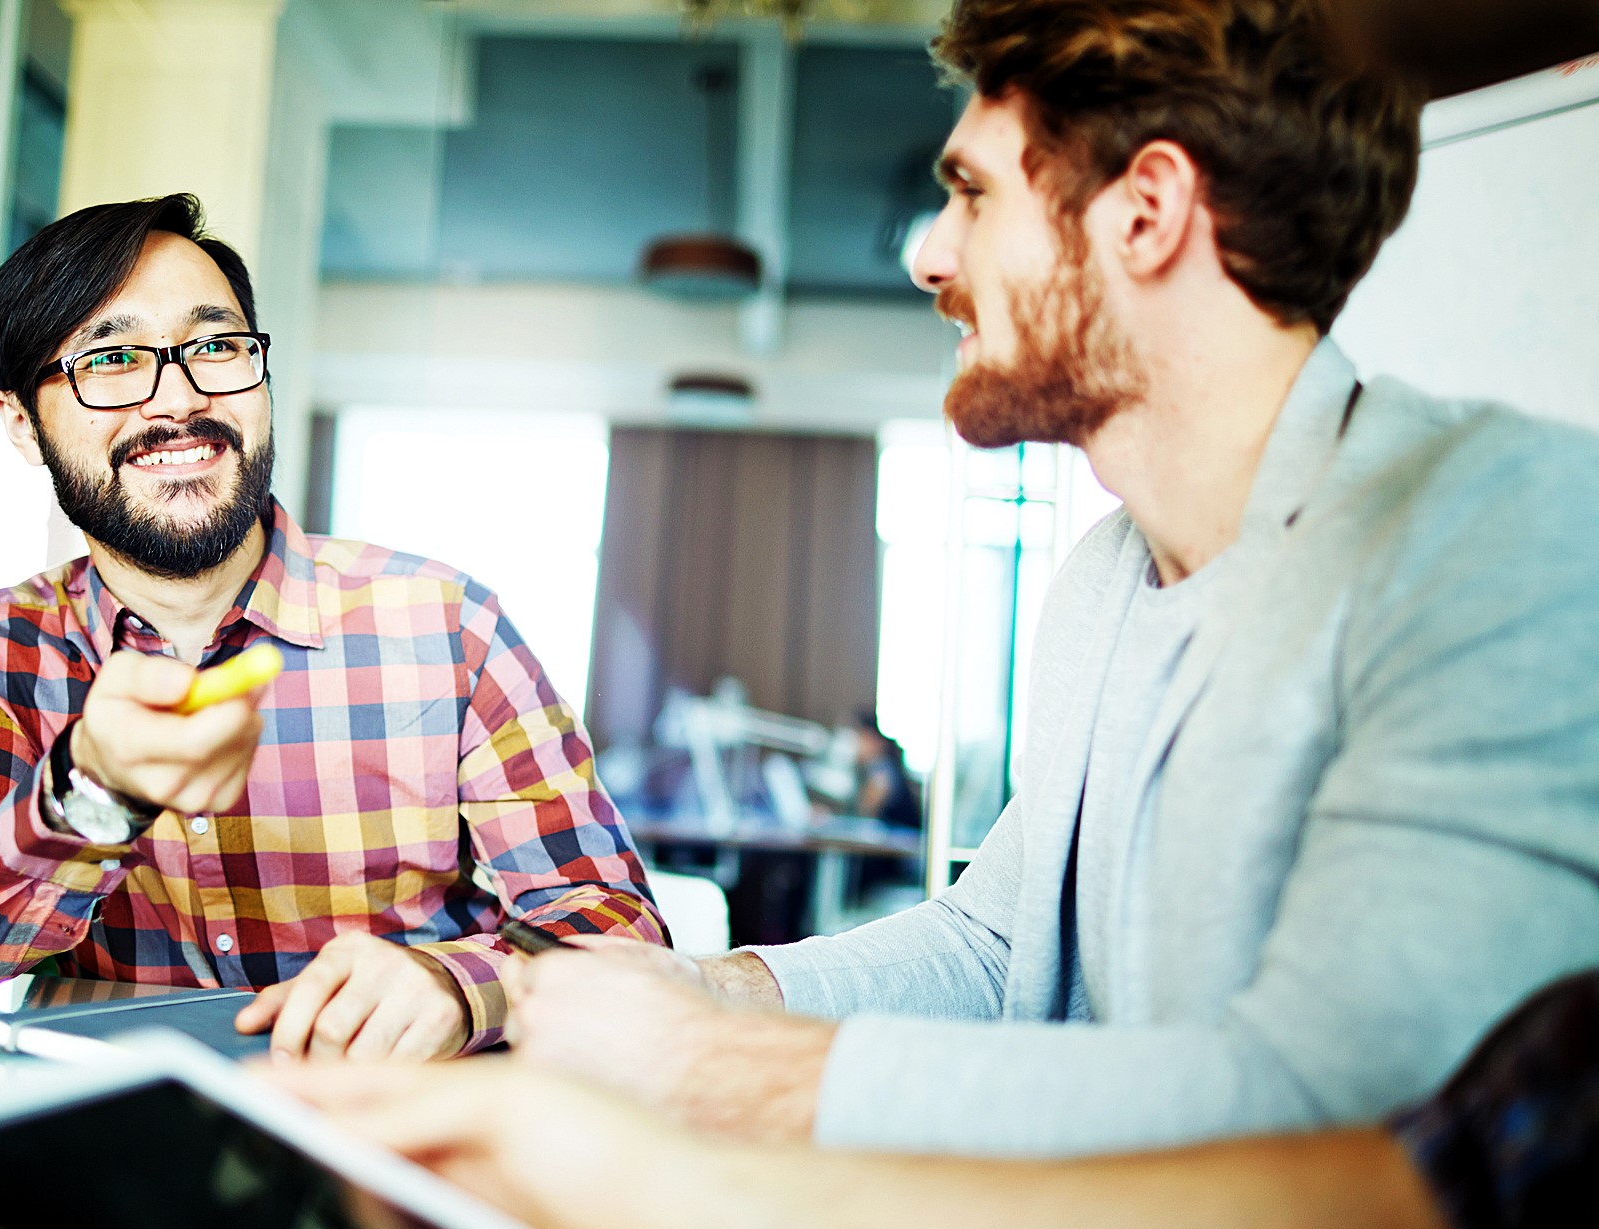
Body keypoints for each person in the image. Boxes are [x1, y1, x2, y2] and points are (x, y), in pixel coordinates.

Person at [497, 0, 1599, 1153]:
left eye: (971, 194)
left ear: (1144, 212)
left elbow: (1332, 1124)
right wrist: (712, 989)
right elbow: (994, 941)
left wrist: (717, 1065)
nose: (928, 252)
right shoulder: (1102, 581)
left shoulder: (1497, 533)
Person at [0, 194, 664, 1060]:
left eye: (216, 345)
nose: (179, 399)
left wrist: (461, 985)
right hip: (122, 1137)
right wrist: (88, 791)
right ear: (21, 424)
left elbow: (619, 930)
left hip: (409, 1132)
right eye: (109, 357)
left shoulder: (448, 628)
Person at [279, 964, 1599, 1229]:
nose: (918, 262)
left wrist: (701, 1175)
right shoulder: (1104, 582)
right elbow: (1452, 1198)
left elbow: (1398, 1186)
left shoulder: (1492, 510)